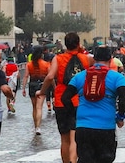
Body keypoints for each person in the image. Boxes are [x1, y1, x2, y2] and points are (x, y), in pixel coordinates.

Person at [62, 46, 125, 163]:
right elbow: (124, 98)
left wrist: (75, 114)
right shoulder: (117, 78)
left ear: (94, 60)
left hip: (83, 127)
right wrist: (120, 116)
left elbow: (65, 98)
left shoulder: (79, 76)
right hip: (106, 127)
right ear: (111, 60)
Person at [40, 32, 91, 163]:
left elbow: (50, 77)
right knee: (75, 137)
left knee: (64, 138)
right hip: (80, 100)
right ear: (78, 44)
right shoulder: (86, 59)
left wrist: (42, 91)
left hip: (61, 99)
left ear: (65, 44)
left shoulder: (58, 58)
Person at [22, 45, 50, 134]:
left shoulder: (29, 64)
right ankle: (38, 127)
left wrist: (23, 88)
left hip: (32, 85)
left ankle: (35, 126)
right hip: (42, 85)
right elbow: (50, 77)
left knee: (34, 107)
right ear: (41, 54)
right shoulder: (46, 64)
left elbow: (26, 76)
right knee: (39, 107)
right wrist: (54, 87)